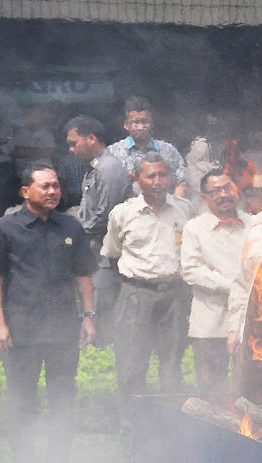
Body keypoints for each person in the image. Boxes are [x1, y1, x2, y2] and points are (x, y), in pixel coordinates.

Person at [0, 161, 97, 463]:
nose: (53, 191)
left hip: (63, 328)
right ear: (25, 191)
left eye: (56, 186)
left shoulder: (70, 226)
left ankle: (60, 454)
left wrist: (88, 315)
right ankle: (23, 455)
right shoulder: (6, 228)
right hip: (21, 329)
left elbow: (82, 275)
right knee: (22, 397)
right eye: (45, 186)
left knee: (63, 395)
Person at [101, 153, 193, 450]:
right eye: (150, 176)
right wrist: (138, 284)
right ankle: (132, 435)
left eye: (163, 175)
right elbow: (113, 254)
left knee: (171, 366)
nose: (157, 182)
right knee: (131, 366)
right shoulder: (123, 213)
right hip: (136, 295)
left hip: (174, 296)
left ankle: (171, 433)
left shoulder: (184, 209)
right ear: (136, 179)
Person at [181, 171, 262, 405]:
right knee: (212, 389)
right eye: (215, 191)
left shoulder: (254, 224)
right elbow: (190, 270)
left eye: (226, 188)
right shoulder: (194, 228)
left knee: (250, 387)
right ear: (205, 198)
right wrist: (235, 286)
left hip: (250, 321)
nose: (223, 195)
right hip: (211, 324)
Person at [65, 114, 132, 345]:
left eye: (74, 143)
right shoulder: (95, 168)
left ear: (91, 138)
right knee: (93, 295)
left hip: (106, 250)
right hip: (94, 248)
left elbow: (107, 215)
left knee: (104, 300)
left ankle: (105, 346)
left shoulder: (108, 169)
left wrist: (75, 230)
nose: (72, 149)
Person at [107, 96, 189, 197]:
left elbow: (182, 181)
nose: (141, 127)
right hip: (128, 210)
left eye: (145, 122)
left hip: (163, 209)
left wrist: (175, 206)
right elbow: (108, 188)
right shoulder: (114, 152)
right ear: (126, 125)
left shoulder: (167, 151)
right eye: (136, 122)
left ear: (151, 124)